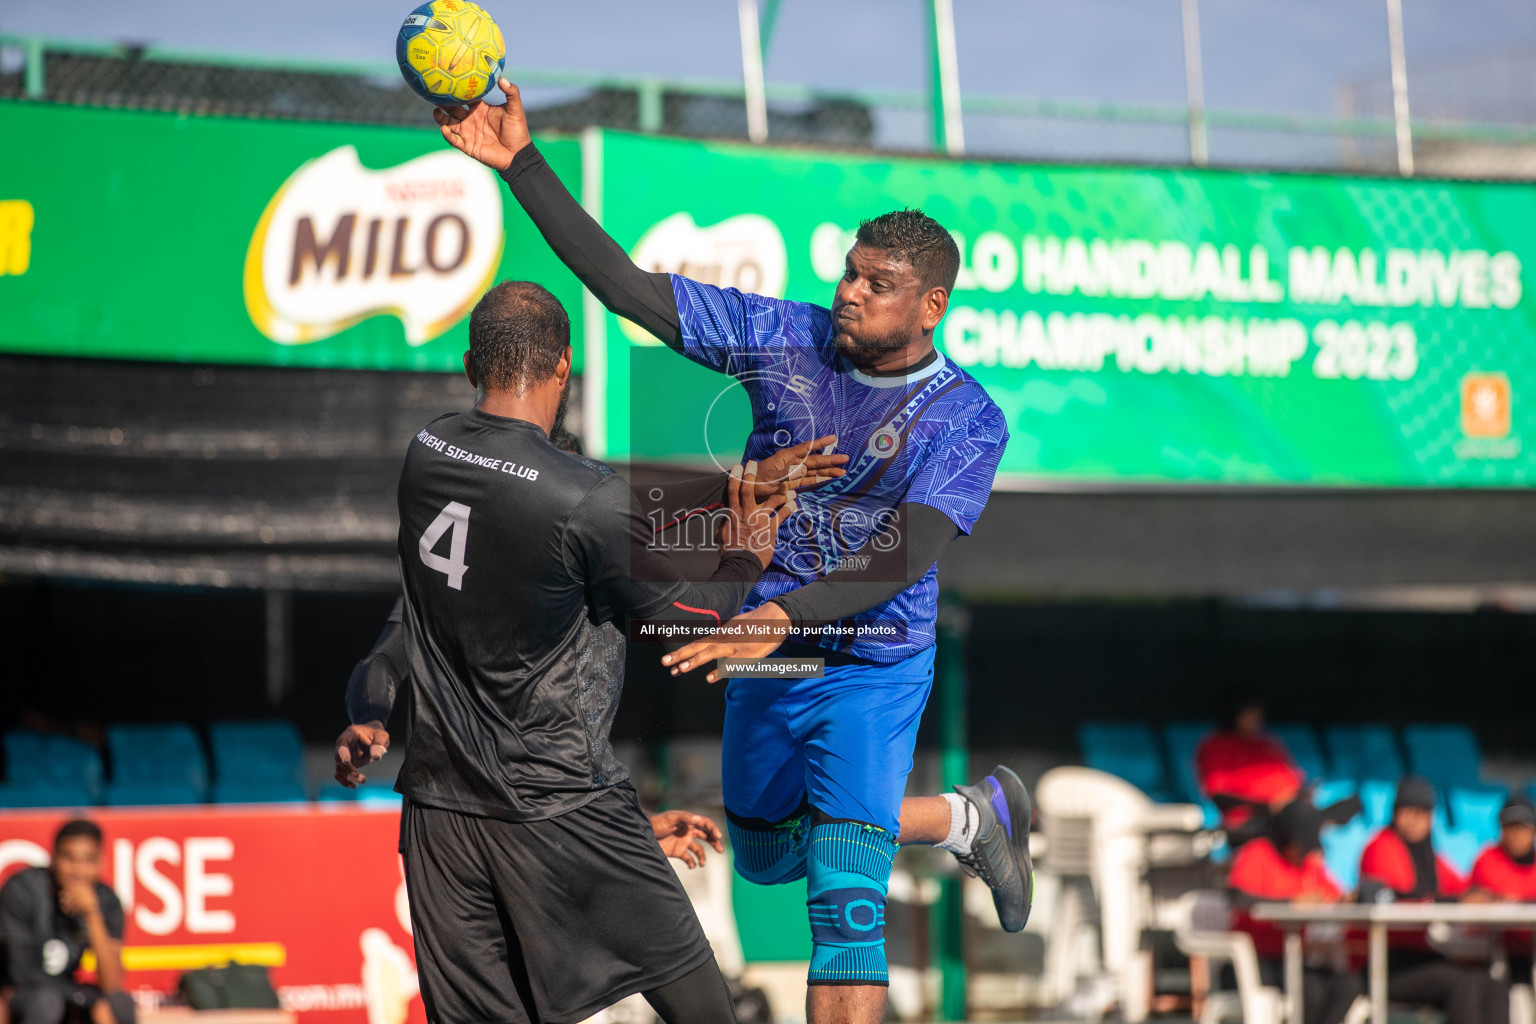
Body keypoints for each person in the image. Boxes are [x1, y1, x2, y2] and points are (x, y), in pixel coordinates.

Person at [435, 80, 1032, 1024]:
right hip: (769, 649)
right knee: (762, 855)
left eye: (877, 284)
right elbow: (626, 287)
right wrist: (522, 163)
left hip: (869, 662)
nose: (849, 292)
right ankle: (967, 818)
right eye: (849, 271)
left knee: (843, 901)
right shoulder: (781, 337)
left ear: (931, 305)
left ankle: (899, 831)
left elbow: (904, 551)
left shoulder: (967, 417)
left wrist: (776, 615)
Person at [348, 279, 792, 1024]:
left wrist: (722, 487)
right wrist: (745, 557)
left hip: (441, 815)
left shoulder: (427, 452)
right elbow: (692, 615)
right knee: (709, 1011)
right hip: (561, 804)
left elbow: (561, 515)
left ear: (469, 364)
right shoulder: (584, 498)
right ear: (565, 367)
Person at [1358, 776, 1508, 1024]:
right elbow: (1399, 900)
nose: (1414, 820)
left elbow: (1459, 887)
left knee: (1493, 985)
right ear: (1395, 813)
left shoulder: (1429, 856)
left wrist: (1483, 896)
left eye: (1422, 813)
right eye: (1408, 811)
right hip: (1386, 963)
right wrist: (1456, 902)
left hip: (1425, 956)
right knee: (1463, 984)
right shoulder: (1381, 847)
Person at [1226, 801, 1364, 1024]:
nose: (1302, 852)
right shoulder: (1258, 853)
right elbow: (1238, 898)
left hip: (1297, 957)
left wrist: (1345, 899)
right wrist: (1291, 904)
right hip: (1257, 960)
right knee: (1313, 992)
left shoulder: (1308, 862)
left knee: (1349, 985)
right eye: (1299, 846)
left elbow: (1332, 893)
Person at [0, 820, 134, 1024]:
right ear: (53, 858)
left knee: (120, 1004)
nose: (78, 871)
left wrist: (92, 915)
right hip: (19, 994)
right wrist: (84, 999)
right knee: (47, 1002)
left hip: (65, 992)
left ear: (101, 862)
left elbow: (113, 984)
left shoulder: (106, 900)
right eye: (69, 859)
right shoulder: (22, 890)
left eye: (88, 860)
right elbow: (22, 973)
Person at [1196, 694, 1305, 836]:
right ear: (1235, 716)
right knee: (1301, 821)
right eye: (1251, 716)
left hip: (1286, 813)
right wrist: (1270, 806)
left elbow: (1294, 780)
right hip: (1246, 820)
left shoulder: (1268, 743)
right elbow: (1219, 796)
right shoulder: (1215, 746)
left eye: (1259, 717)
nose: (1256, 722)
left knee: (1338, 809)